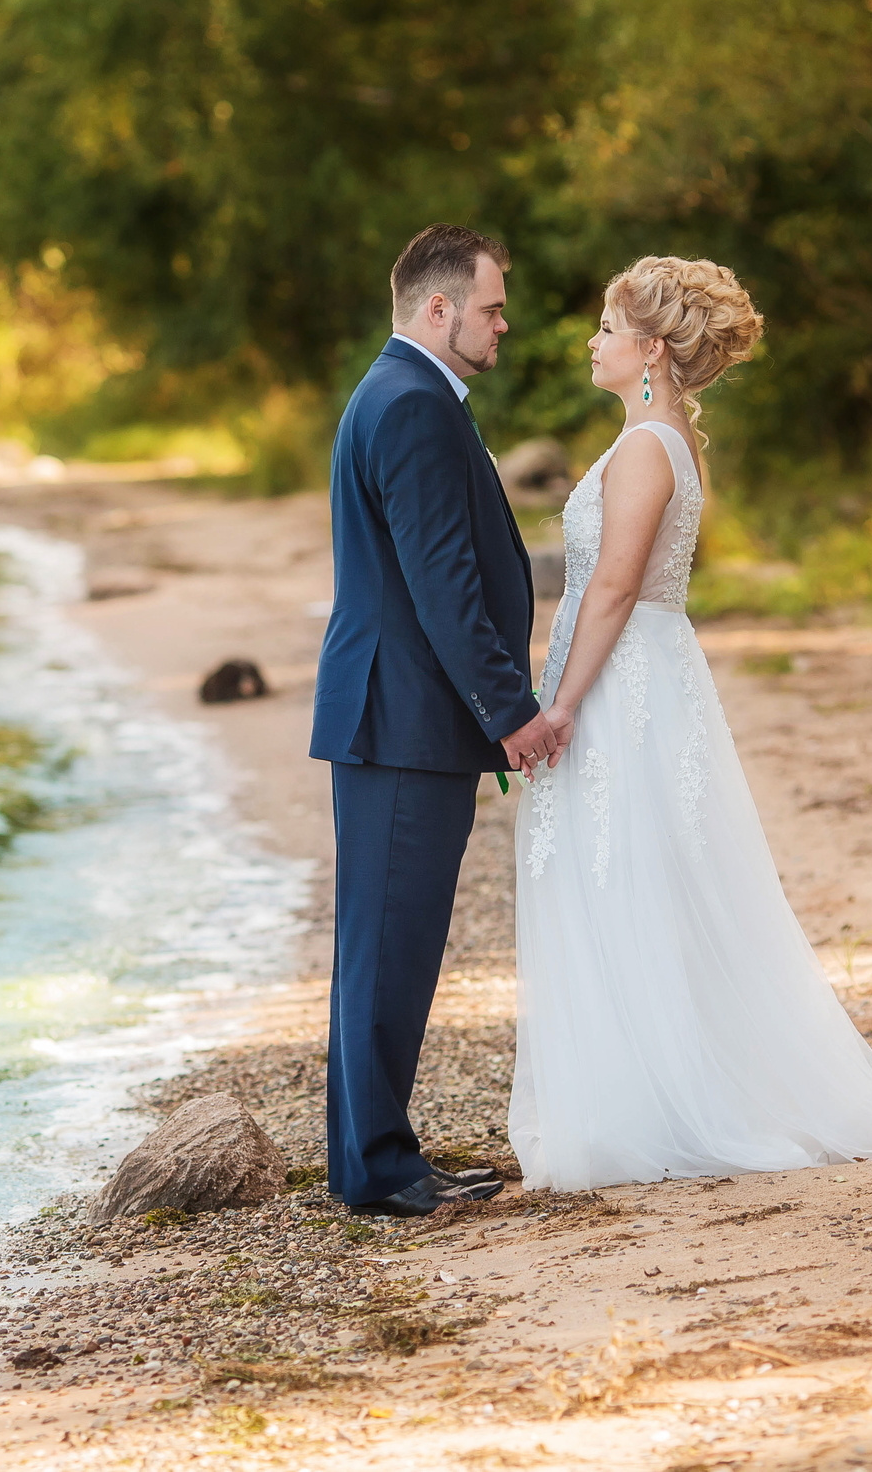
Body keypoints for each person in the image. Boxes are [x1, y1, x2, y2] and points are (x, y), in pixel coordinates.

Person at [509, 257, 872, 1188]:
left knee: (629, 868)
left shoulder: (643, 449)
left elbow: (616, 587)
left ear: (651, 349)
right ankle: (652, 1084)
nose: (591, 342)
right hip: (647, 675)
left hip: (622, 682)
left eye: (604, 327)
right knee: (645, 869)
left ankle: (653, 1102)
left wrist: (559, 703)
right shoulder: (668, 439)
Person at [311, 223, 568, 1217]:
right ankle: (376, 1171)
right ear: (437, 308)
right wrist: (510, 710)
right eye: (492, 307)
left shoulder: (404, 393)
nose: (504, 323)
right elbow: (443, 582)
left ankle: (371, 1156)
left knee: (387, 942)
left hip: (399, 716)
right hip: (402, 718)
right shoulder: (413, 403)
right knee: (390, 942)